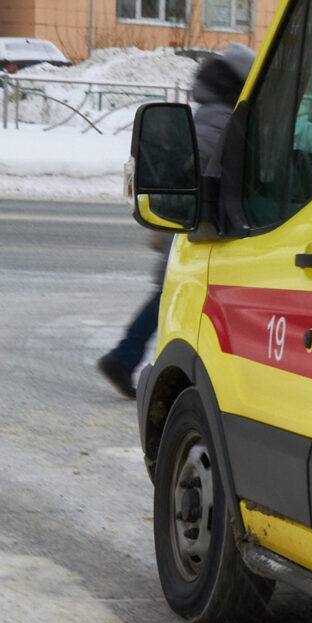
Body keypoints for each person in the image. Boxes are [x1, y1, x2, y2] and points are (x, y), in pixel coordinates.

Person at [98, 43, 255, 399]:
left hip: (194, 220)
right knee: (174, 297)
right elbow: (205, 165)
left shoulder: (212, 112)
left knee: (168, 295)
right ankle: (126, 359)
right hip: (202, 222)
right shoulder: (221, 117)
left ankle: (124, 357)